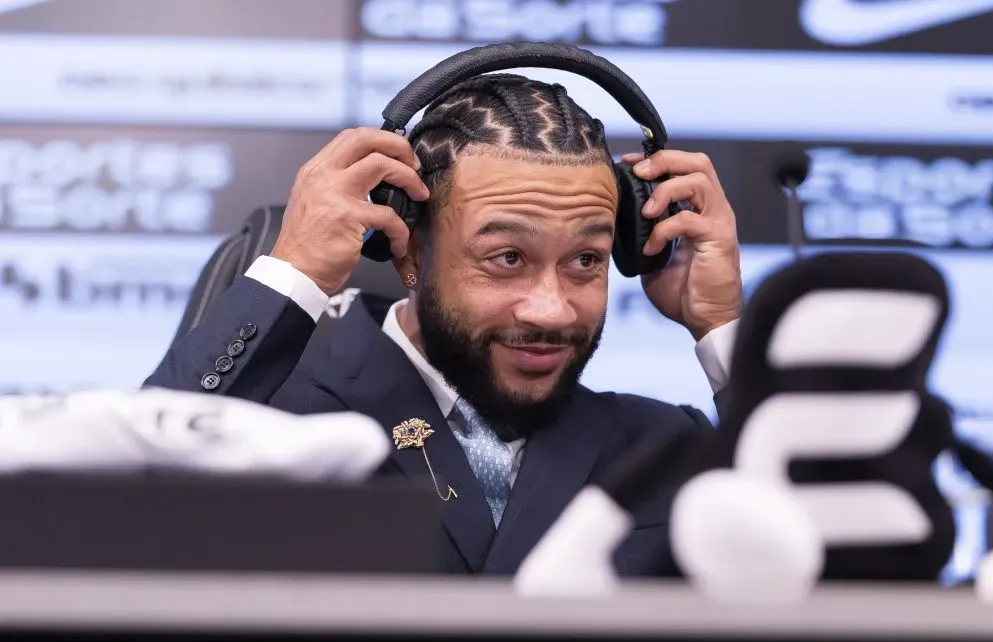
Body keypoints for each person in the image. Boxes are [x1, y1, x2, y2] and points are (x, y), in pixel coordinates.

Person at [145, 74, 744, 576]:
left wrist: (720, 324)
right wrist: (295, 270)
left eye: (586, 260)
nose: (551, 309)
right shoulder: (271, 421)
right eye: (507, 258)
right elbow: (133, 508)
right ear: (410, 252)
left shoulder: (664, 446)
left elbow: (796, 582)